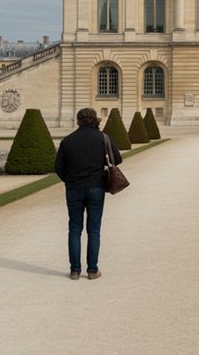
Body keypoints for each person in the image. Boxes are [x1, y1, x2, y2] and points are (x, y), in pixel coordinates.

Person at [54, 107, 123, 280]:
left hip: (73, 188)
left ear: (78, 121)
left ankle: (75, 271)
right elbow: (117, 159)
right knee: (94, 229)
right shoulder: (103, 138)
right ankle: (92, 270)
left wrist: (69, 180)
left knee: (74, 229)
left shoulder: (68, 140)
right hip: (96, 187)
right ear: (95, 120)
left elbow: (58, 167)